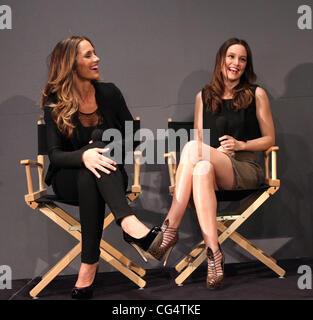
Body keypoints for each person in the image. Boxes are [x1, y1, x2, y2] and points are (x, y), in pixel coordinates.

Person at [41, 36, 163, 299]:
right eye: (88, 55)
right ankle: (130, 226)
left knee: (95, 165)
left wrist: (104, 150)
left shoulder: (110, 92)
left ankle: (89, 265)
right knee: (89, 164)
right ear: (70, 64)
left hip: (108, 172)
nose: (96, 59)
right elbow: (56, 156)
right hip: (67, 179)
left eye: (94, 53)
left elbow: (133, 137)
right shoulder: (54, 102)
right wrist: (85, 155)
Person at [151, 38, 275, 289]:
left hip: (244, 167)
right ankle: (214, 256)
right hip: (211, 164)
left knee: (193, 149)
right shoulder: (203, 96)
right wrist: (212, 153)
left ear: (246, 65)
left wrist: (240, 145)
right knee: (202, 166)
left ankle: (169, 228)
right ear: (221, 60)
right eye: (231, 57)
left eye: (242, 59)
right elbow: (199, 139)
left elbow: (269, 139)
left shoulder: (256, 93)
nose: (236, 63)